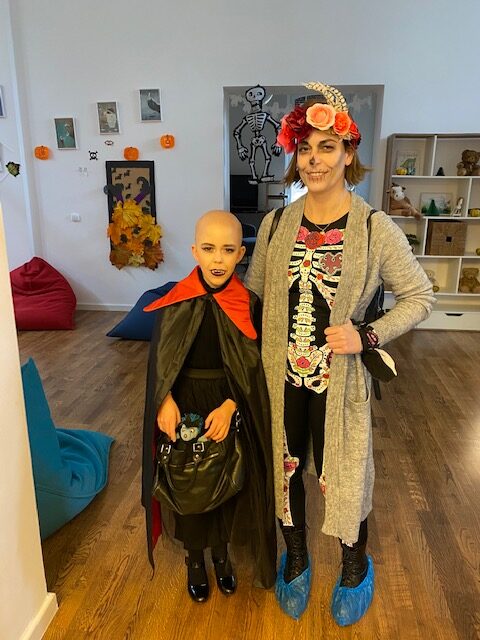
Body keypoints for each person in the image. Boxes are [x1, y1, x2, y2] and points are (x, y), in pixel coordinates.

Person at [245, 81, 435, 625]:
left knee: (344, 474)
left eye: (327, 147)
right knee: (284, 469)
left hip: (341, 381)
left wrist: (366, 335)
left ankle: (354, 565)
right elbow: (255, 297)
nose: (314, 160)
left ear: (349, 153)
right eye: (305, 148)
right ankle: (296, 557)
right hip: (281, 378)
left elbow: (420, 296)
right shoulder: (276, 225)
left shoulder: (375, 228)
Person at [141, 210, 277, 603]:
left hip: (227, 403)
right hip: (183, 404)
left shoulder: (248, 305)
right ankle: (195, 559)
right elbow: (161, 364)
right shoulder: (174, 303)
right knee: (188, 479)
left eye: (228, 250)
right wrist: (164, 400)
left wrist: (233, 405)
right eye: (209, 248)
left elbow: (254, 367)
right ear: (194, 251)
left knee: (224, 477)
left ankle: (221, 554)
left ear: (240, 255)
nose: (218, 259)